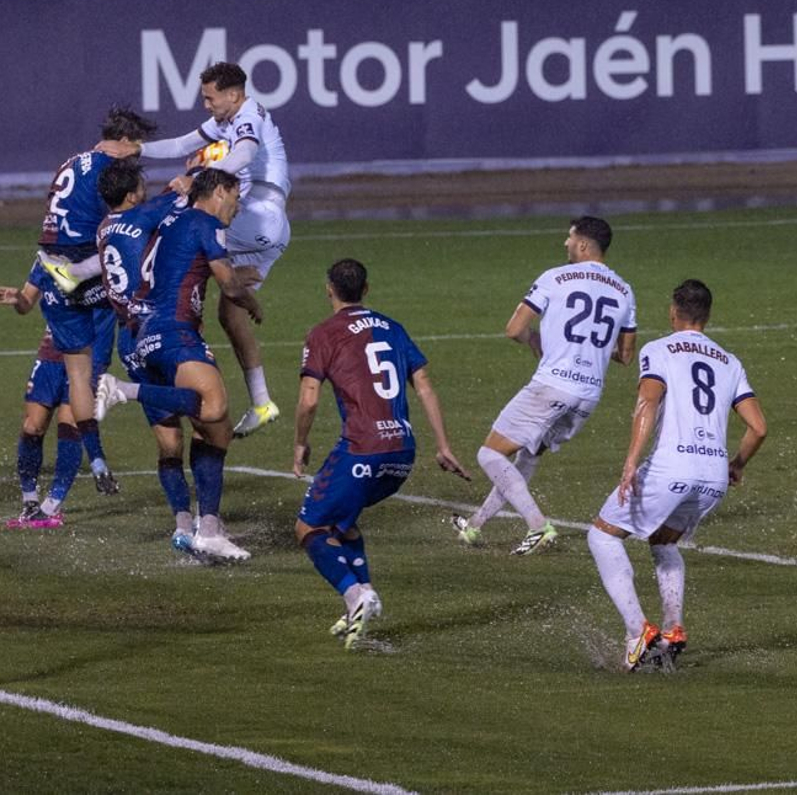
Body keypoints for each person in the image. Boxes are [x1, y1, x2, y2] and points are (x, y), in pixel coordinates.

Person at [588, 279, 767, 672]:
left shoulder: (659, 349)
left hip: (673, 466)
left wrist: (631, 460)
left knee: (602, 535)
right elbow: (758, 428)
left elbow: (647, 401)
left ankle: (638, 632)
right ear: (707, 315)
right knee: (664, 542)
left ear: (673, 312)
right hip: (713, 475)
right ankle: (673, 628)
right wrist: (736, 465)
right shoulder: (729, 360)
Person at [293, 259, 469, 650]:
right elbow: (423, 384)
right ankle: (364, 595)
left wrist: (300, 444)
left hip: (362, 450)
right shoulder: (392, 326)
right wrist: (442, 445)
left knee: (309, 529)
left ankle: (355, 596)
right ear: (366, 290)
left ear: (328, 289)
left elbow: (308, 399)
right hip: (401, 454)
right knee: (343, 524)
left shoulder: (324, 333)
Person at [93, 168, 263, 562]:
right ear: (219, 192)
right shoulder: (199, 220)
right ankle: (122, 390)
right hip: (171, 330)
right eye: (235, 198)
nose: (237, 208)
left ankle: (200, 528)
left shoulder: (146, 223)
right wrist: (247, 297)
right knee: (214, 407)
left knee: (208, 433)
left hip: (141, 331)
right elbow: (227, 283)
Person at [122, 61, 291, 439]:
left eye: (210, 97)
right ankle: (262, 402)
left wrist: (197, 175)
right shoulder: (227, 120)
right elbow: (183, 144)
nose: (206, 105)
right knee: (230, 316)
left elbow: (244, 155)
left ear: (233, 94)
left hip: (257, 218)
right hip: (261, 228)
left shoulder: (247, 116)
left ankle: (87, 265)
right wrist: (136, 149)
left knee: (177, 220)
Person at [452, 217, 636, 555]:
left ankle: (538, 525)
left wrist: (535, 339)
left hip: (553, 384)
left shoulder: (555, 277)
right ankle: (475, 526)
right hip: (588, 395)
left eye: (569, 238)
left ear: (583, 244)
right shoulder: (624, 290)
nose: (565, 244)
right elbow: (625, 355)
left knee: (490, 453)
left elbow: (513, 329)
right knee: (528, 453)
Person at [31, 107, 157, 495]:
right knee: (137, 333)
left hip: (53, 266)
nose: (138, 159)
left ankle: (97, 460)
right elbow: (127, 223)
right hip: (86, 270)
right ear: (124, 143)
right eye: (136, 150)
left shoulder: (72, 162)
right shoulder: (113, 172)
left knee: (77, 376)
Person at [94, 161, 203, 554]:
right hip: (161, 330)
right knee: (206, 413)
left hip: (130, 338)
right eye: (141, 184)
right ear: (130, 195)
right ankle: (209, 520)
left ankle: (183, 524)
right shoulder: (144, 214)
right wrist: (193, 176)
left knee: (170, 442)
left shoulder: (104, 227)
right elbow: (189, 196)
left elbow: (156, 210)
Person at [0, 288, 121, 529]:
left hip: (91, 353)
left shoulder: (103, 259)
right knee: (32, 426)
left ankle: (52, 506)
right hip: (53, 349)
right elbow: (26, 301)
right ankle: (30, 501)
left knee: (69, 424)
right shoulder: (47, 259)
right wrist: (18, 299)